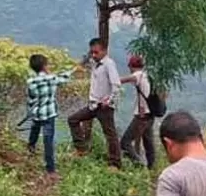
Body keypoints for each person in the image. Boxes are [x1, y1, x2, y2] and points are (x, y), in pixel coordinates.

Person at [67, 38, 122, 168]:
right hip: (93, 105)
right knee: (73, 120)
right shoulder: (94, 62)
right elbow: (83, 62)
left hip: (104, 107)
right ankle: (81, 149)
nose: (94, 55)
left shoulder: (109, 64)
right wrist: (88, 55)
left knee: (110, 135)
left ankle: (115, 164)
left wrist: (109, 100)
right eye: (92, 52)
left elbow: (116, 85)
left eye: (96, 52)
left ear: (104, 51)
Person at [25, 54, 77, 178]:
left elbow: (30, 99)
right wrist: (75, 69)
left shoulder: (30, 82)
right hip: (49, 114)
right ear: (44, 66)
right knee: (48, 140)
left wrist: (31, 111)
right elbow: (64, 77)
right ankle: (51, 170)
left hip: (37, 113)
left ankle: (30, 148)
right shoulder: (52, 78)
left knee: (35, 130)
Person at [120, 54, 156, 170]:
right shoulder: (147, 75)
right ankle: (152, 167)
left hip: (142, 115)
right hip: (150, 114)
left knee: (125, 142)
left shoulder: (138, 75)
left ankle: (139, 165)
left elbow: (122, 80)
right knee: (148, 142)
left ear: (131, 66)